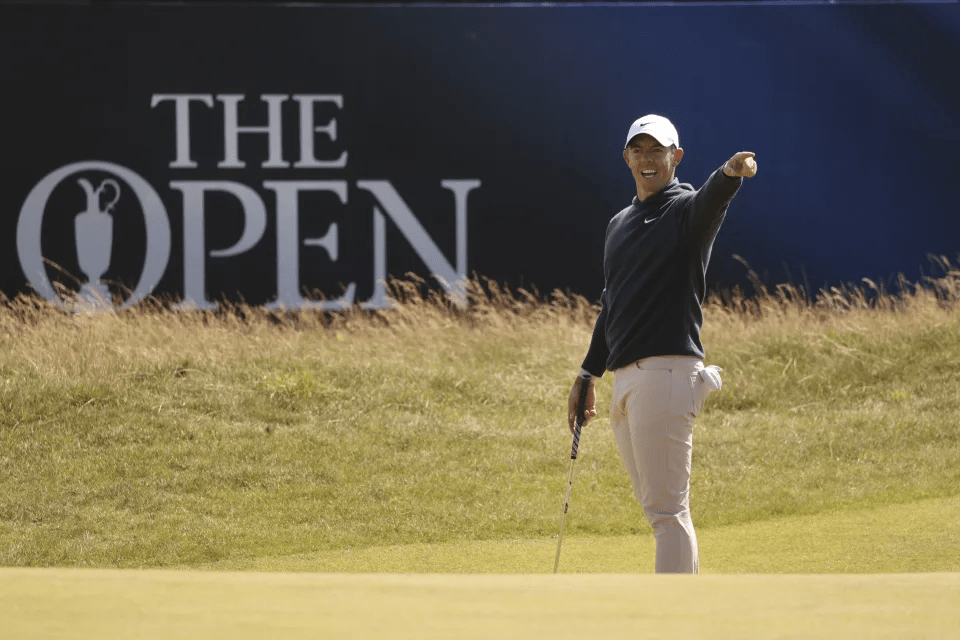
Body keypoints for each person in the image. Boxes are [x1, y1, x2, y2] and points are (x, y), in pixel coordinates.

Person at [566, 114, 757, 574]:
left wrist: (729, 174)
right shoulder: (618, 224)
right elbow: (612, 306)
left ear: (677, 156)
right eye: (639, 150)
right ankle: (683, 606)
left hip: (668, 374)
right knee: (662, 515)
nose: (647, 159)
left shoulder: (685, 210)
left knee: (668, 514)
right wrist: (587, 374)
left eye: (657, 150)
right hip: (626, 379)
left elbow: (711, 200)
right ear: (627, 158)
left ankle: (673, 612)